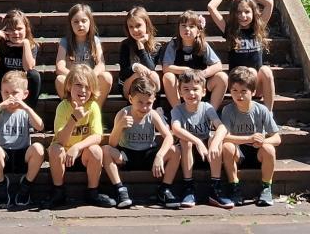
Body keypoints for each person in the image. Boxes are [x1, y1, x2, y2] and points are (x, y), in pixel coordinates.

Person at [102, 74, 178, 209]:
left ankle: (164, 189)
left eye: (148, 103)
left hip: (148, 154)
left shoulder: (153, 115)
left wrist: (160, 156)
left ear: (154, 100)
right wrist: (119, 126)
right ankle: (120, 189)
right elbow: (112, 143)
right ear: (131, 99)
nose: (144, 107)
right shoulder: (123, 114)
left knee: (175, 151)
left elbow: (169, 137)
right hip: (126, 155)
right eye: (140, 102)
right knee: (106, 150)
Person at [218, 66, 281, 207]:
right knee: (227, 147)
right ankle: (234, 186)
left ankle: (266, 187)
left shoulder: (261, 110)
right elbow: (224, 137)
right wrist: (249, 138)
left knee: (269, 149)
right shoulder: (228, 110)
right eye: (234, 91)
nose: (239, 95)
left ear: (253, 92)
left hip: (257, 152)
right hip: (238, 153)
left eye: (243, 91)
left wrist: (263, 141)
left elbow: (277, 138)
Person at [46, 63, 106, 210]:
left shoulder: (92, 107)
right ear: (69, 87)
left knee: (96, 150)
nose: (83, 90)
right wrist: (73, 119)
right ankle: (58, 192)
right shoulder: (63, 107)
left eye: (87, 86)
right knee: (54, 149)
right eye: (78, 85)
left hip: (82, 155)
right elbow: (60, 140)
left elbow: (98, 136)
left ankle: (93, 192)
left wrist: (77, 147)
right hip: (64, 155)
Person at [207, 0, 276, 111]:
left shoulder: (258, 27)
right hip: (237, 83)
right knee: (252, 71)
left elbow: (269, 3)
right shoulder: (230, 30)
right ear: (233, 14)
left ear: (253, 13)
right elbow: (211, 7)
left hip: (256, 85)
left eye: (247, 12)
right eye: (239, 12)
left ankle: (268, 114)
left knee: (265, 70)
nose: (243, 16)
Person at [0, 69, 45, 209]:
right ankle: (1, 184)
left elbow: (40, 126)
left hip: (22, 154)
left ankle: (26, 185)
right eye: (6, 93)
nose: (10, 96)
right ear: (0, 93)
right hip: (3, 155)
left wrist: (26, 107)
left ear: (25, 94)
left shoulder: (25, 111)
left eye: (14, 93)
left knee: (38, 149)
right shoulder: (0, 110)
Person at [168, 69, 224, 209]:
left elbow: (222, 127)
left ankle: (215, 187)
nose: (191, 93)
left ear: (204, 91)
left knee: (214, 139)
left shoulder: (207, 108)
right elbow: (176, 129)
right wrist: (197, 141)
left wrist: (214, 143)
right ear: (180, 92)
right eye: (186, 89)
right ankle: (188, 187)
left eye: (195, 89)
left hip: (207, 153)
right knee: (185, 141)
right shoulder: (177, 110)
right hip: (187, 153)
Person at [161, 10, 225, 109]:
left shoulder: (202, 45)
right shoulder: (174, 45)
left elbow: (218, 65)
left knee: (222, 77)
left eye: (191, 26)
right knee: (168, 76)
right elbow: (166, 68)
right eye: (183, 26)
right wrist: (186, 70)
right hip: (182, 86)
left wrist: (202, 74)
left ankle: (211, 112)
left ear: (198, 31)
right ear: (178, 29)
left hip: (199, 84)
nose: (187, 29)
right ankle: (179, 112)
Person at [0, 8, 41, 106]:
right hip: (4, 88)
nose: (16, 33)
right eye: (11, 29)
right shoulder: (1, 44)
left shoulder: (31, 45)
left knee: (34, 75)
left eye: (19, 29)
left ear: (26, 29)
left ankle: (29, 114)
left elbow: (28, 68)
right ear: (4, 30)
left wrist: (25, 44)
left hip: (21, 89)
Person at [54, 3, 112, 106]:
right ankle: (74, 112)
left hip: (90, 82)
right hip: (73, 82)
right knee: (60, 80)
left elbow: (101, 64)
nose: (80, 25)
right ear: (70, 24)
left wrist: (90, 76)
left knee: (106, 77)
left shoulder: (95, 41)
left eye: (84, 21)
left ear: (90, 22)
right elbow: (59, 67)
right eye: (76, 22)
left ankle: (94, 111)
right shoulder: (65, 42)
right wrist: (77, 78)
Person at [117, 6, 162, 100]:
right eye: (131, 27)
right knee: (139, 74)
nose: (135, 30)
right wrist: (135, 67)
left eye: (138, 25)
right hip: (129, 86)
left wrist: (141, 47)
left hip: (148, 85)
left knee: (152, 75)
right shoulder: (126, 45)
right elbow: (124, 73)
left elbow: (151, 68)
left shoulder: (156, 46)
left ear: (146, 24)